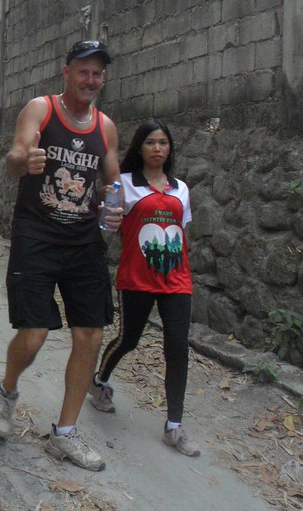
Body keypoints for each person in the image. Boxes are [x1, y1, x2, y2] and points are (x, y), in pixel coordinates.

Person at [0, 39, 122, 472]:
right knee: (34, 334)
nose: (90, 80)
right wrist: (22, 160)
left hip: (84, 242)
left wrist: (114, 204)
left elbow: (112, 183)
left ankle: (64, 433)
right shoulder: (40, 109)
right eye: (83, 71)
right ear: (66, 73)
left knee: (91, 335)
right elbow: (14, 156)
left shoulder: (105, 127)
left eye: (97, 73)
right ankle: (7, 392)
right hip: (37, 236)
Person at [88, 118, 200, 456]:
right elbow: (106, 224)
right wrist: (103, 206)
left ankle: (174, 426)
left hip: (176, 281)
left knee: (177, 347)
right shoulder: (124, 184)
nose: (157, 148)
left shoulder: (181, 188)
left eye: (163, 143)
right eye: (150, 142)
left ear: (170, 149)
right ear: (139, 148)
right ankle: (99, 382)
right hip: (136, 279)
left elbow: (182, 232)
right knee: (129, 339)